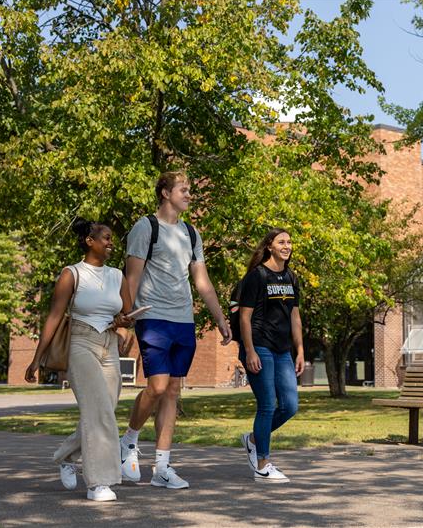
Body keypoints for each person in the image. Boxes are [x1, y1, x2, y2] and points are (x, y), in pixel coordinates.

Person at [119, 170, 231, 489]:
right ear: (165, 193)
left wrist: (221, 318)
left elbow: (202, 282)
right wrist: (127, 315)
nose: (189, 194)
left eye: (190, 189)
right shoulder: (146, 228)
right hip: (152, 317)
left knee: (172, 390)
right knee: (156, 386)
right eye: (184, 189)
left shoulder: (192, 234)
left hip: (183, 319)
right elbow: (132, 277)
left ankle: (163, 467)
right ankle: (128, 441)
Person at [25, 218, 133, 502]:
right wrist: (38, 359)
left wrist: (123, 323)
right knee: (99, 412)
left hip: (109, 345)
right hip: (81, 342)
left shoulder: (117, 276)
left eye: (112, 239)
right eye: (106, 238)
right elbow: (54, 316)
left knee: (104, 412)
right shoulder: (71, 274)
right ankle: (99, 482)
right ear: (90, 241)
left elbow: (129, 315)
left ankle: (65, 456)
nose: (111, 243)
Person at [237, 228, 304, 483]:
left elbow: (295, 316)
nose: (286, 246)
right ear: (269, 247)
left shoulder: (291, 277)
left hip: (282, 349)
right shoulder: (257, 277)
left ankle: (253, 439)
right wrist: (250, 350)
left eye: (289, 241)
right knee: (267, 405)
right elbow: (244, 317)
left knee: (289, 406)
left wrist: (300, 350)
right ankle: (263, 463)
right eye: (281, 242)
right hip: (260, 347)